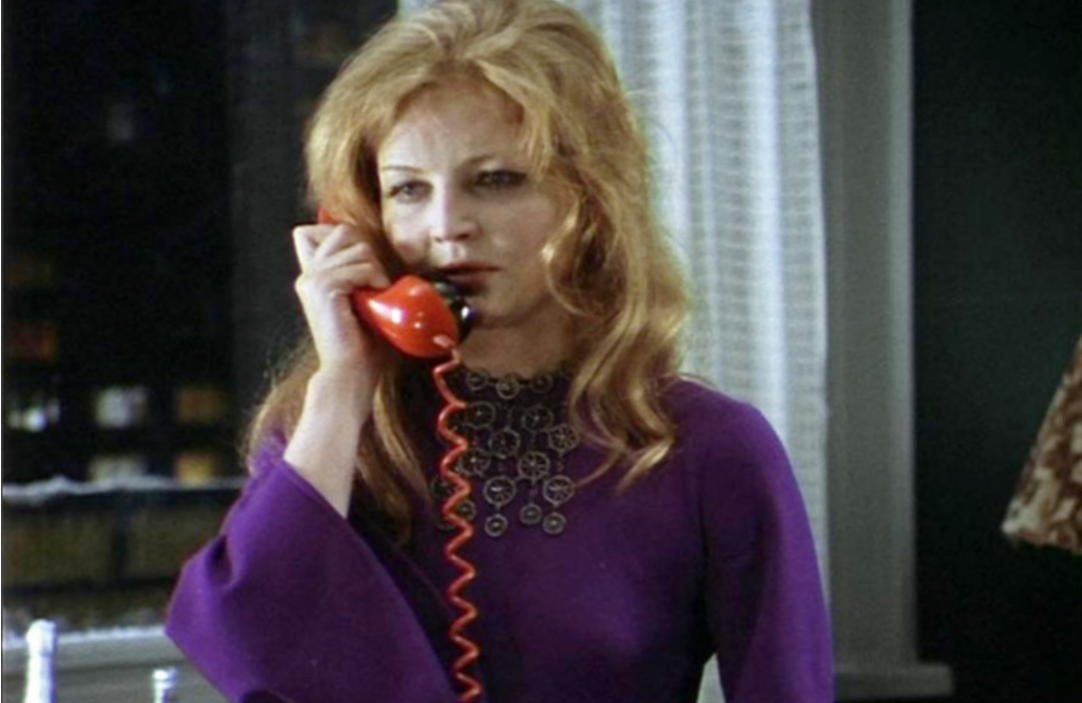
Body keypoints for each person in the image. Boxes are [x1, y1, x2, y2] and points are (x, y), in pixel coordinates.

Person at [165, 0, 834, 701]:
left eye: (495, 180)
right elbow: (244, 637)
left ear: (590, 200)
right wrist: (343, 383)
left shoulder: (708, 447)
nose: (447, 225)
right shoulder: (330, 434)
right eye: (408, 189)